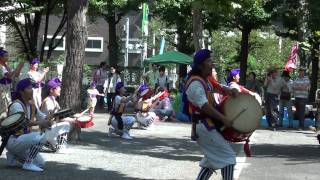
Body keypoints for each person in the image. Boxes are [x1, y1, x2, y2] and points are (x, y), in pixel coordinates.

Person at [185, 49, 238, 180]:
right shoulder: (195, 83)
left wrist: (230, 90)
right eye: (209, 61)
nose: (212, 64)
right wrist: (224, 119)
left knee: (211, 161)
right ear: (200, 65)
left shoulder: (204, 79)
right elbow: (204, 106)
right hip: (204, 127)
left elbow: (216, 86)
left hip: (206, 125)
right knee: (228, 157)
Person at [5, 78, 53, 172]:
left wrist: (51, 117)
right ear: (21, 92)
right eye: (29, 88)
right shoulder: (16, 105)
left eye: (32, 88)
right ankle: (27, 163)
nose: (32, 90)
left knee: (40, 163)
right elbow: (23, 122)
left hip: (23, 140)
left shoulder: (32, 104)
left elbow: (42, 117)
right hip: (13, 139)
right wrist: (41, 123)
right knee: (41, 136)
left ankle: (13, 156)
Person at [40, 77, 73, 152]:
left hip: (50, 129)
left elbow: (59, 116)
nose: (60, 89)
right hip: (46, 130)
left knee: (68, 123)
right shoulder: (48, 101)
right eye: (58, 88)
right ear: (52, 90)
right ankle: (59, 147)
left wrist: (75, 119)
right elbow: (55, 117)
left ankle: (54, 144)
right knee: (66, 124)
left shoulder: (54, 101)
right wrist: (73, 120)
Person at [0, 49, 24, 119]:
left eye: (7, 56)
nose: (7, 57)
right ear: (0, 57)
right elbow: (9, 75)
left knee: (8, 107)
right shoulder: (0, 66)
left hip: (7, 89)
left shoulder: (6, 66)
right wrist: (18, 67)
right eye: (5, 56)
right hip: (2, 89)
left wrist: (20, 67)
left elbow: (16, 75)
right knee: (3, 108)